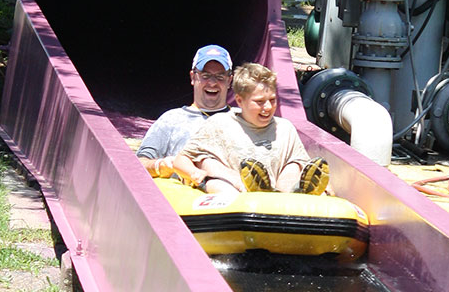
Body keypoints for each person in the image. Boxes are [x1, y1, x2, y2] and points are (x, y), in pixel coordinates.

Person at [173, 62, 329, 194]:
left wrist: (325, 187)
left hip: (278, 194)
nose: (268, 107)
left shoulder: (284, 128)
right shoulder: (219, 125)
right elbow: (181, 160)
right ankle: (249, 189)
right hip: (234, 189)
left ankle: (296, 192)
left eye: (272, 100)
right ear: (240, 101)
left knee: (293, 165)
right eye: (259, 102)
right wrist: (195, 173)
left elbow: (303, 163)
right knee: (208, 163)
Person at [136, 44, 233, 182]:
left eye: (220, 76)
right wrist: (160, 166)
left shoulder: (243, 118)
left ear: (229, 80)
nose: (212, 82)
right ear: (193, 77)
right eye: (205, 75)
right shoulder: (171, 119)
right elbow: (138, 164)